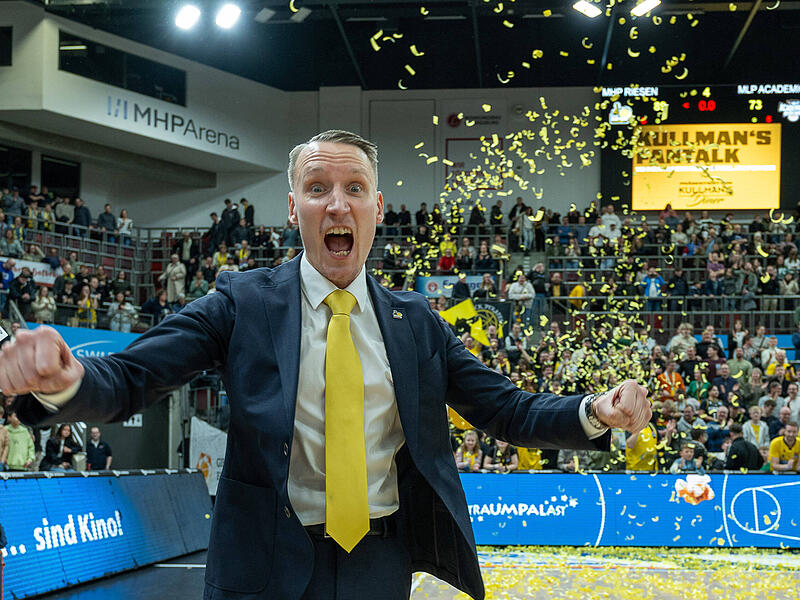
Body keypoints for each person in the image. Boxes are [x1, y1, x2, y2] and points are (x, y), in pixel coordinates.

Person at [3, 130, 650, 600]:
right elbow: (133, 376)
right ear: (294, 209)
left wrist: (595, 411)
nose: (337, 204)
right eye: (317, 189)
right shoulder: (241, 302)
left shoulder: (416, 323)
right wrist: (67, 380)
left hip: (379, 563)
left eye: (354, 189)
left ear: (377, 209)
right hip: (260, 564)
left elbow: (507, 409)